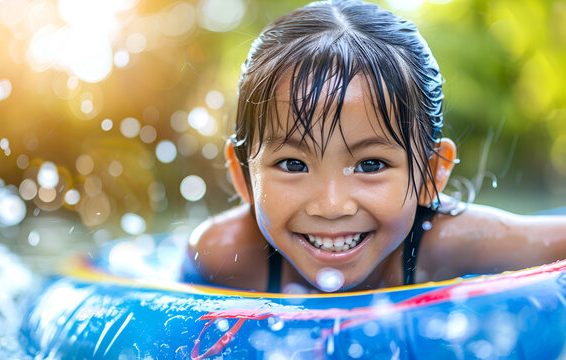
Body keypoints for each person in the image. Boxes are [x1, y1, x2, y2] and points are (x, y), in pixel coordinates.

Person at [183, 0, 566, 293]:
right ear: (242, 175)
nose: (332, 206)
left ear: (431, 174)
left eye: (370, 165)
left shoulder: (449, 242)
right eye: (293, 165)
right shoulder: (223, 254)